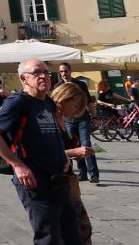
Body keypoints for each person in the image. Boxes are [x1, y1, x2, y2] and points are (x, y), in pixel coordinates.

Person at [0, 59, 82, 245]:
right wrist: (18, 165)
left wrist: (64, 155)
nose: (44, 76)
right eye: (37, 73)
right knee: (49, 237)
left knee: (73, 235)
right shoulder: (17, 102)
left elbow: (53, 135)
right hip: (34, 181)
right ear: (24, 78)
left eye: (46, 72)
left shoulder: (48, 102)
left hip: (58, 178)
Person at [49, 83, 95, 245]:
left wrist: (75, 152)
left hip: (68, 181)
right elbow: (42, 153)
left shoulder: (62, 120)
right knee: (73, 230)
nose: (77, 110)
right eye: (76, 105)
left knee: (83, 228)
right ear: (64, 99)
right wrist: (72, 153)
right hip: (54, 183)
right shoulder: (48, 119)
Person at [56, 63, 98, 184]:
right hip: (68, 121)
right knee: (75, 147)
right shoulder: (58, 86)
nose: (64, 73)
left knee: (86, 144)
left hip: (82, 119)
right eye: (62, 71)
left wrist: (95, 117)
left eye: (66, 71)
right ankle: (82, 173)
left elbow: (89, 102)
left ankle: (93, 173)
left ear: (70, 71)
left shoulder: (80, 84)